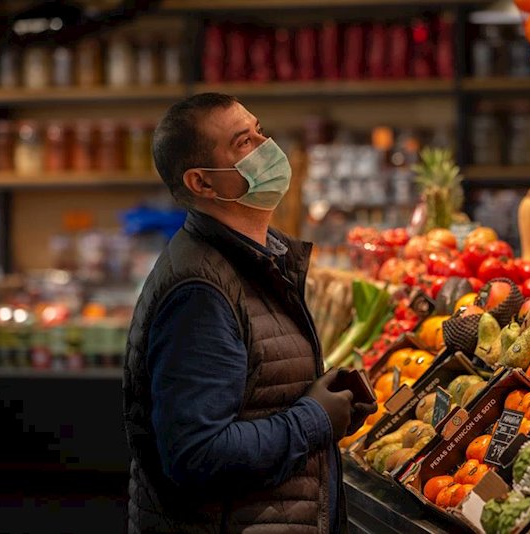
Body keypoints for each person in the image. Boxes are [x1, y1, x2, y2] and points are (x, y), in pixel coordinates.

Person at [122, 93, 377, 534]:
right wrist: (315, 419)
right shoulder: (199, 291)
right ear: (203, 183)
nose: (267, 145)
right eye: (244, 142)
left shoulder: (257, 259)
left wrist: (316, 395)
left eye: (259, 130)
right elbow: (197, 454)